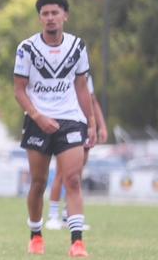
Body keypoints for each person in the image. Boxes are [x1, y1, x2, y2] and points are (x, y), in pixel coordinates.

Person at [13, 0, 97, 257]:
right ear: (40, 18)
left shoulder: (78, 47)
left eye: (55, 13)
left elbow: (82, 88)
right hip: (38, 121)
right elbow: (19, 90)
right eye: (45, 13)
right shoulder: (27, 48)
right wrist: (38, 116)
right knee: (38, 183)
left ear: (65, 16)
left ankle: (77, 242)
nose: (50, 18)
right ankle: (36, 234)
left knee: (72, 179)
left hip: (71, 120)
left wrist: (91, 122)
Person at [45, 74, 108, 231]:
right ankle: (53, 216)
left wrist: (101, 125)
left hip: (84, 124)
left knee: (76, 173)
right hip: (68, 123)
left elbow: (92, 100)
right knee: (61, 172)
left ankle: (69, 215)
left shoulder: (86, 75)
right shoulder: (63, 72)